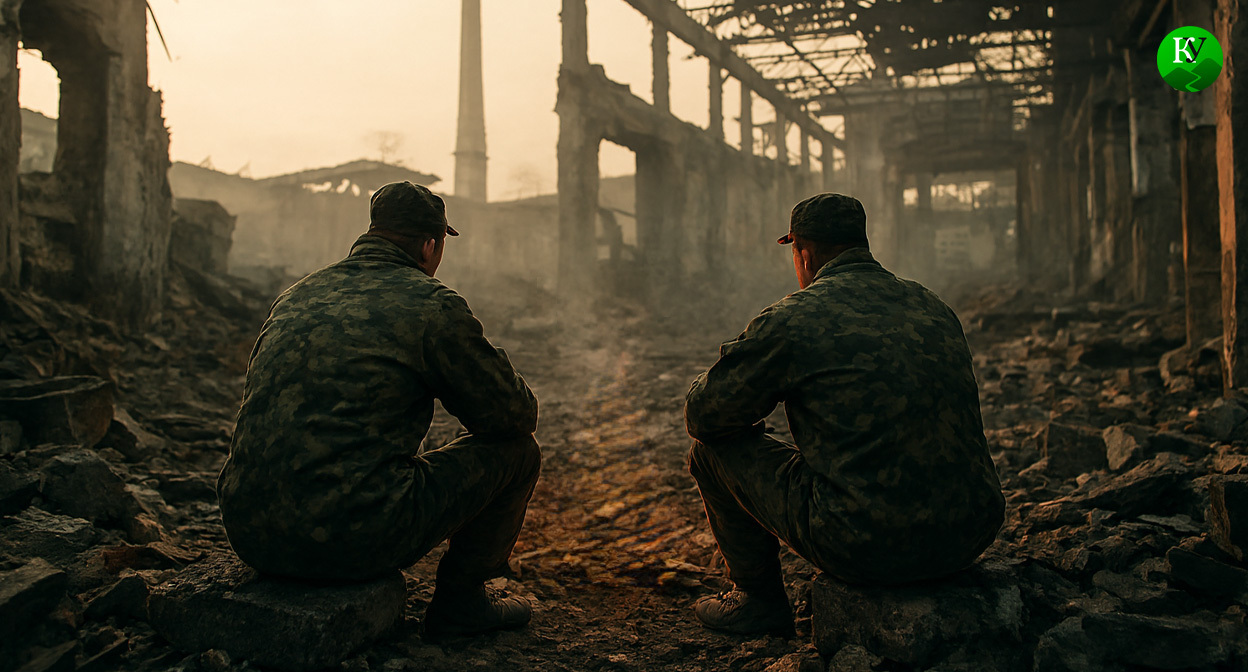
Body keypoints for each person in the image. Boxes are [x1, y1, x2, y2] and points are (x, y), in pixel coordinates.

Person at [218, 181, 541, 638]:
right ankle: (462, 602)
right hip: (351, 537)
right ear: (430, 245)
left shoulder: (296, 294)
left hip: (248, 531)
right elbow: (513, 416)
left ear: (373, 232)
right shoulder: (432, 305)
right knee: (518, 453)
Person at [685, 193, 1005, 636]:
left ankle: (757, 601)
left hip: (867, 544)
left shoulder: (794, 318)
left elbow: (704, 416)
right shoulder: (933, 306)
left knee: (710, 452)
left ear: (805, 253)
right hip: (970, 532)